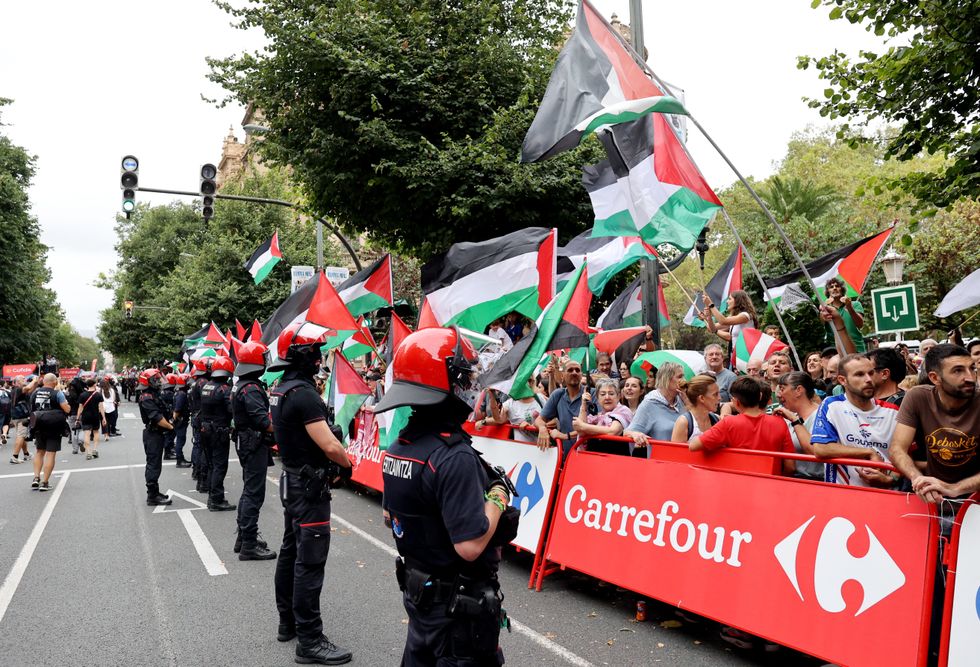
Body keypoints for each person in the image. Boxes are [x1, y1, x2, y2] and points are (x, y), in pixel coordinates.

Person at [376, 327, 517, 667]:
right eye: (465, 378)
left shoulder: (399, 448)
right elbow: (468, 547)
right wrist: (497, 497)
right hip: (457, 616)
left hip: (422, 603)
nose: (470, 387)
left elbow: (388, 516)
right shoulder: (454, 457)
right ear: (445, 384)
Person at [270, 321, 354, 665]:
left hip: (293, 482)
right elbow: (330, 445)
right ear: (304, 355)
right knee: (309, 562)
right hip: (309, 488)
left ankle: (287, 622)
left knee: (291, 552)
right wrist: (348, 464)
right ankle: (309, 639)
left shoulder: (281, 387)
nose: (320, 358)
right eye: (316, 352)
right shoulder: (303, 394)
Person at [810, 354, 900, 488]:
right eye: (859, 375)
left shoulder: (893, 411)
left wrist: (889, 480)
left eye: (871, 373)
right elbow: (821, 448)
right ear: (842, 380)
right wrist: (868, 452)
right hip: (843, 496)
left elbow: (904, 457)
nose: (869, 379)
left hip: (886, 495)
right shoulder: (831, 405)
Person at [689, 377, 795, 476]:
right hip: (771, 484)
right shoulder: (780, 423)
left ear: (736, 402)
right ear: (760, 396)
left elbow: (693, 445)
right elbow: (790, 466)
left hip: (739, 484)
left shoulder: (728, 423)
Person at [232, 341, 277, 560]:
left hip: (247, 442)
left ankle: (244, 537)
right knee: (253, 493)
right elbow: (262, 420)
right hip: (253, 442)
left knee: (249, 490)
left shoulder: (243, 384)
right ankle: (249, 543)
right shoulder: (250, 388)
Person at [624, 362, 687, 453]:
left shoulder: (682, 400)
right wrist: (635, 434)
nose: (684, 380)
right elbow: (627, 432)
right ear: (667, 379)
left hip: (685, 459)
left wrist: (688, 402)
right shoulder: (649, 404)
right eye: (680, 377)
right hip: (661, 462)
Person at [772, 372, 825, 481]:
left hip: (818, 483)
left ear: (798, 390)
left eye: (782, 389)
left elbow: (816, 452)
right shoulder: (790, 416)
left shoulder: (823, 416)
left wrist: (795, 421)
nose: (778, 395)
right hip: (794, 481)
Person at [199, 356, 236, 511]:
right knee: (220, 466)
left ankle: (211, 496)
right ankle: (216, 499)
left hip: (205, 429)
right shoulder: (224, 390)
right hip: (219, 431)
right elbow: (231, 410)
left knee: (212, 464)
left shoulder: (206, 387)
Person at [534, 358, 587, 457]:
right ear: (562, 376)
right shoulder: (558, 394)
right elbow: (539, 420)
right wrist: (542, 428)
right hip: (566, 457)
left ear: (581, 375)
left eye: (577, 370)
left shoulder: (590, 393)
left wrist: (564, 436)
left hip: (588, 456)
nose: (574, 372)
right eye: (570, 370)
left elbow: (596, 427)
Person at [137, 369, 174, 506]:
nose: (158, 381)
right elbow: (157, 418)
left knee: (156, 464)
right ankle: (152, 496)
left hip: (157, 433)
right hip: (153, 433)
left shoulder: (153, 394)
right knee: (153, 465)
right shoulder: (146, 397)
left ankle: (155, 492)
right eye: (156, 379)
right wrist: (171, 427)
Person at [29, 374, 71, 492]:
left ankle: (36, 477)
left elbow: (31, 409)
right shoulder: (57, 393)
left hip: (38, 425)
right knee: (50, 454)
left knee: (39, 452)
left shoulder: (34, 393)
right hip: (54, 425)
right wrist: (67, 405)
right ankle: (45, 482)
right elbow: (66, 409)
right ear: (54, 382)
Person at [478, 378, 544, 443]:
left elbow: (553, 421)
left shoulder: (540, 398)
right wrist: (492, 395)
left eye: (529, 381)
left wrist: (536, 426)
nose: (526, 384)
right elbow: (498, 419)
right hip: (520, 448)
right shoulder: (509, 403)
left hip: (544, 448)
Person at [700, 290, 759, 358]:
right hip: (736, 354)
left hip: (747, 354)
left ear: (737, 301)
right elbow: (712, 329)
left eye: (730, 299)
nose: (727, 301)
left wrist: (711, 305)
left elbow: (723, 321)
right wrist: (708, 317)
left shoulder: (745, 316)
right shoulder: (733, 317)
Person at [574, 378, 633, 442]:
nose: (607, 397)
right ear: (597, 398)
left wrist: (583, 426)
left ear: (618, 396)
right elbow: (581, 432)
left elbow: (613, 431)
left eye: (611, 394)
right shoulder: (598, 417)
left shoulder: (624, 411)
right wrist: (583, 404)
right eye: (603, 394)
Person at [670, 375, 720, 443]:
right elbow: (675, 452)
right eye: (715, 394)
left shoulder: (717, 419)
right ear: (702, 398)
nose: (720, 398)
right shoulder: (683, 422)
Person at [823, 277, 865, 352]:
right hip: (835, 351)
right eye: (831, 287)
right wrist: (824, 309)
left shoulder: (855, 304)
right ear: (828, 291)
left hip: (857, 348)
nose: (834, 288)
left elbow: (860, 324)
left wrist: (849, 307)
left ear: (842, 289)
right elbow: (821, 321)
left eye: (837, 286)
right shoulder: (825, 309)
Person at [189, 358, 211, 488]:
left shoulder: (195, 382)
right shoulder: (202, 382)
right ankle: (199, 472)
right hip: (201, 416)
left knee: (197, 444)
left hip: (196, 415)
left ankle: (196, 470)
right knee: (201, 446)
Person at [9, 376, 37, 464]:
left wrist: (35, 383)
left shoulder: (17, 390)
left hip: (16, 416)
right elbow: (28, 387)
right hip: (21, 416)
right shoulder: (18, 389)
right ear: (17, 382)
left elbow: (31, 390)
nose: (25, 380)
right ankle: (15, 456)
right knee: (21, 436)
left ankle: (26, 454)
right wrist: (33, 380)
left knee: (22, 436)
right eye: (23, 379)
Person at [76, 377, 105, 460]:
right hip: (95, 416)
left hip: (86, 416)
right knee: (96, 432)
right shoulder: (98, 395)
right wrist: (103, 417)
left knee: (87, 434)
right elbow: (101, 407)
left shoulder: (82, 395)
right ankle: (95, 450)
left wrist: (77, 418)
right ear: (95, 384)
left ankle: (88, 452)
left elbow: (80, 408)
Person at [171, 374, 191, 468]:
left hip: (180, 420)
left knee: (180, 439)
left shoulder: (179, 393)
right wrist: (176, 419)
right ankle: (180, 460)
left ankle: (180, 459)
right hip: (181, 421)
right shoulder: (182, 394)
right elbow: (177, 410)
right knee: (180, 440)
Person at [161, 373, 178, 460]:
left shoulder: (165, 391)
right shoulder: (169, 393)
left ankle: (169, 449)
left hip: (166, 415)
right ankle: (167, 453)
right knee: (170, 433)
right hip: (168, 416)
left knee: (170, 433)